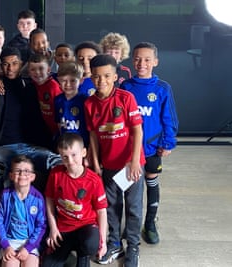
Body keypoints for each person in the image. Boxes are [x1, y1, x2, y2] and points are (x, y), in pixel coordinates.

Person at [84, 54, 145, 267]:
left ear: (115, 77)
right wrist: (94, 160)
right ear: (91, 77)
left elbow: (137, 131)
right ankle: (114, 243)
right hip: (107, 166)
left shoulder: (126, 98)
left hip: (130, 165)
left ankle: (133, 247)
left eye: (107, 76)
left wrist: (135, 161)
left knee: (133, 208)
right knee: (111, 206)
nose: (101, 81)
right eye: (97, 77)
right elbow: (92, 134)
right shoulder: (90, 103)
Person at [0, 47, 61, 208]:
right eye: (5, 64)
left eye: (14, 63)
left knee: (59, 165)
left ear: (21, 65)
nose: (10, 68)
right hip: (5, 146)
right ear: (0, 66)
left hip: (35, 147)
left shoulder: (34, 85)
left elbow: (51, 78)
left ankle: (51, 221)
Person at [120, 42, 179, 245]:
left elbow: (169, 118)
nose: (141, 63)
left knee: (151, 183)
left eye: (147, 59)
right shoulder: (126, 87)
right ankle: (131, 226)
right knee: (129, 190)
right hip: (130, 151)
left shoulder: (163, 88)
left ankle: (150, 223)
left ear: (155, 61)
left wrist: (168, 143)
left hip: (153, 149)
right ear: (132, 60)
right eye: (137, 58)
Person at [43, 133, 108, 267]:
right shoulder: (55, 174)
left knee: (90, 245)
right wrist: (53, 228)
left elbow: (102, 212)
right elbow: (49, 200)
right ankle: (69, 247)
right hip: (63, 228)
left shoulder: (94, 180)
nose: (70, 161)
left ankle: (82, 254)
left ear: (84, 152)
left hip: (86, 226)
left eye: (74, 155)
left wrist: (103, 241)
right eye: (65, 157)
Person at [0, 155, 46, 267]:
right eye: (18, 171)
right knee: (10, 265)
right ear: (11, 176)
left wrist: (28, 248)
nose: (22, 174)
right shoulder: (5, 195)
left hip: (29, 242)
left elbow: (40, 226)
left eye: (26, 171)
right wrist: (6, 245)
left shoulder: (38, 198)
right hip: (9, 241)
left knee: (30, 265)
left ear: (32, 176)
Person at [27, 54, 62, 138]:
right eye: (33, 69)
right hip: (47, 130)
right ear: (28, 72)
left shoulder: (53, 87)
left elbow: (61, 111)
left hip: (58, 130)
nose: (37, 72)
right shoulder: (32, 86)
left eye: (41, 68)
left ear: (48, 70)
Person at [54, 61, 89, 146]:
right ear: (58, 80)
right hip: (66, 144)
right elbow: (59, 123)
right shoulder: (57, 100)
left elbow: (91, 128)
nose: (68, 84)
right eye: (64, 80)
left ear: (81, 80)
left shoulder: (86, 100)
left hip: (83, 144)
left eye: (73, 80)